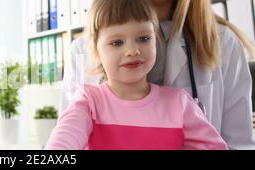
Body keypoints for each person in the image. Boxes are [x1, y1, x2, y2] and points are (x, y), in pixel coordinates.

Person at [59, 0, 255, 150]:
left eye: (144, 39)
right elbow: (64, 140)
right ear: (96, 49)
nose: (132, 51)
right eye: (116, 43)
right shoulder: (84, 73)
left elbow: (233, 144)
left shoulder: (222, 44)